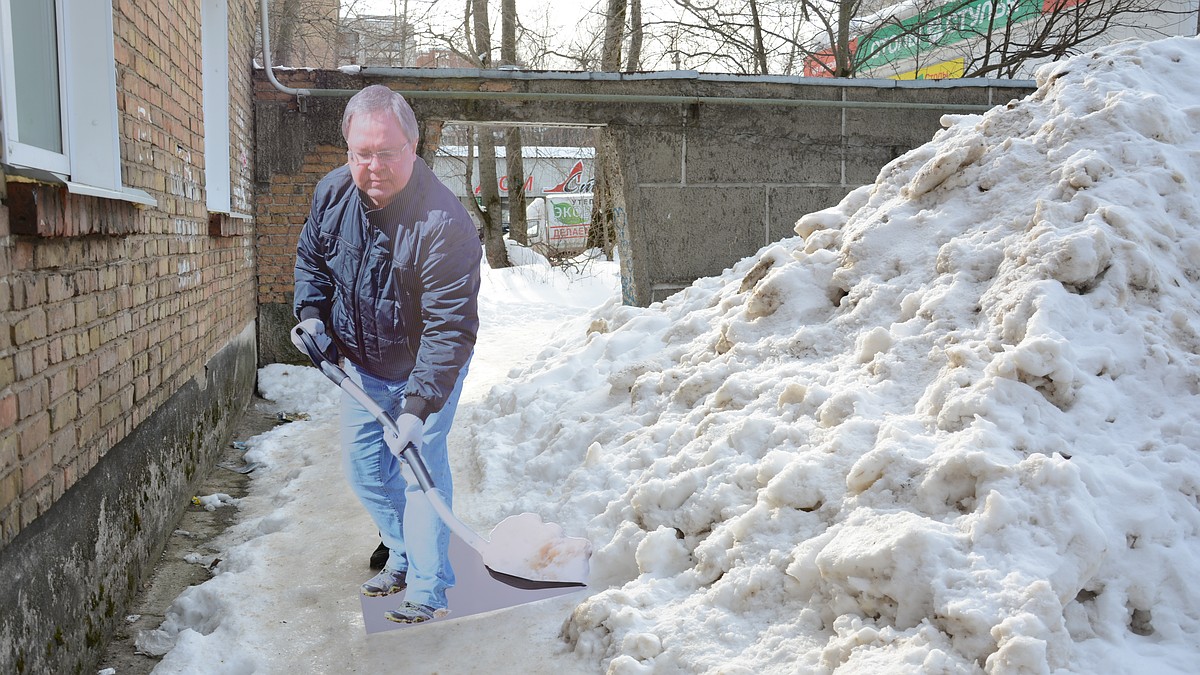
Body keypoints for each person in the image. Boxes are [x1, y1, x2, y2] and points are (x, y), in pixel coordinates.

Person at [291, 84, 481, 624]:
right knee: (366, 471)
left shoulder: (444, 224)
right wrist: (311, 314)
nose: (373, 166)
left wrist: (419, 409)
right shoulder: (332, 195)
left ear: (413, 146)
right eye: (362, 153)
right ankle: (401, 554)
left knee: (420, 471)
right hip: (366, 365)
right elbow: (312, 259)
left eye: (387, 152)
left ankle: (429, 586)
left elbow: (449, 327)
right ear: (348, 149)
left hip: (428, 367)